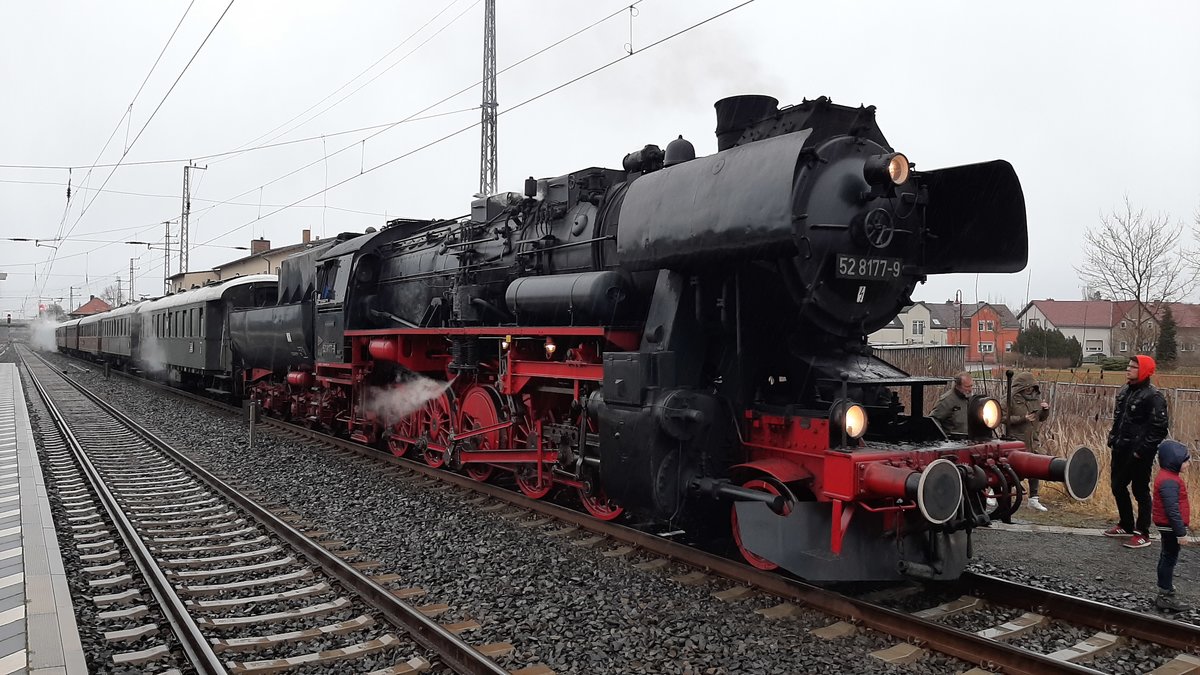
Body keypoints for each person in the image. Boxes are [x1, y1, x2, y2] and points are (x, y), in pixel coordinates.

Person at [1105, 355, 1169, 549]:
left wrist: (1142, 451)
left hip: (1139, 453)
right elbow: (1119, 419)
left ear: (1143, 371)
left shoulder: (1153, 396)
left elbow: (1160, 428)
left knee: (1140, 490)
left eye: (1133, 367)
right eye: (1128, 366)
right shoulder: (1125, 391)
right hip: (1120, 448)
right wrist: (1113, 438)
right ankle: (1126, 524)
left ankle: (1143, 533)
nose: (1128, 369)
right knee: (1117, 486)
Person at [1152, 439, 1191, 612]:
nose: (1189, 463)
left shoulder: (1168, 477)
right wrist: (1181, 533)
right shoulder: (1170, 481)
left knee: (1166, 556)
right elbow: (1172, 509)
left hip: (1167, 526)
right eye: (1186, 460)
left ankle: (1164, 591)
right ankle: (1166, 594)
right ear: (1174, 461)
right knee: (1169, 558)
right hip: (1170, 527)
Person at [1005, 371, 1051, 511]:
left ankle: (1034, 499)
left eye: (1032, 387)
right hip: (1016, 441)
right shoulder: (1009, 399)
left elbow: (1041, 418)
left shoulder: (1036, 399)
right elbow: (999, 418)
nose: (1030, 390)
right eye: (1028, 387)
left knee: (1035, 468)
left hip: (1033, 440)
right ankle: (997, 494)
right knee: (1011, 471)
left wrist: (1045, 411)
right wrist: (1022, 419)